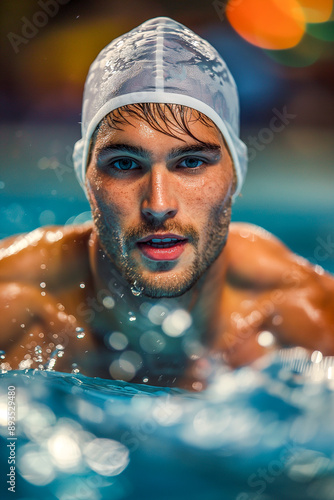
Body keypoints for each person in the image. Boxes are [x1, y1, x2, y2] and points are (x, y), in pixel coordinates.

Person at [1, 17, 333, 390]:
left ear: (236, 173)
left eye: (191, 163)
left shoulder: (306, 313)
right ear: (87, 177)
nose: (158, 205)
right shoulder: (13, 302)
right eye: (125, 164)